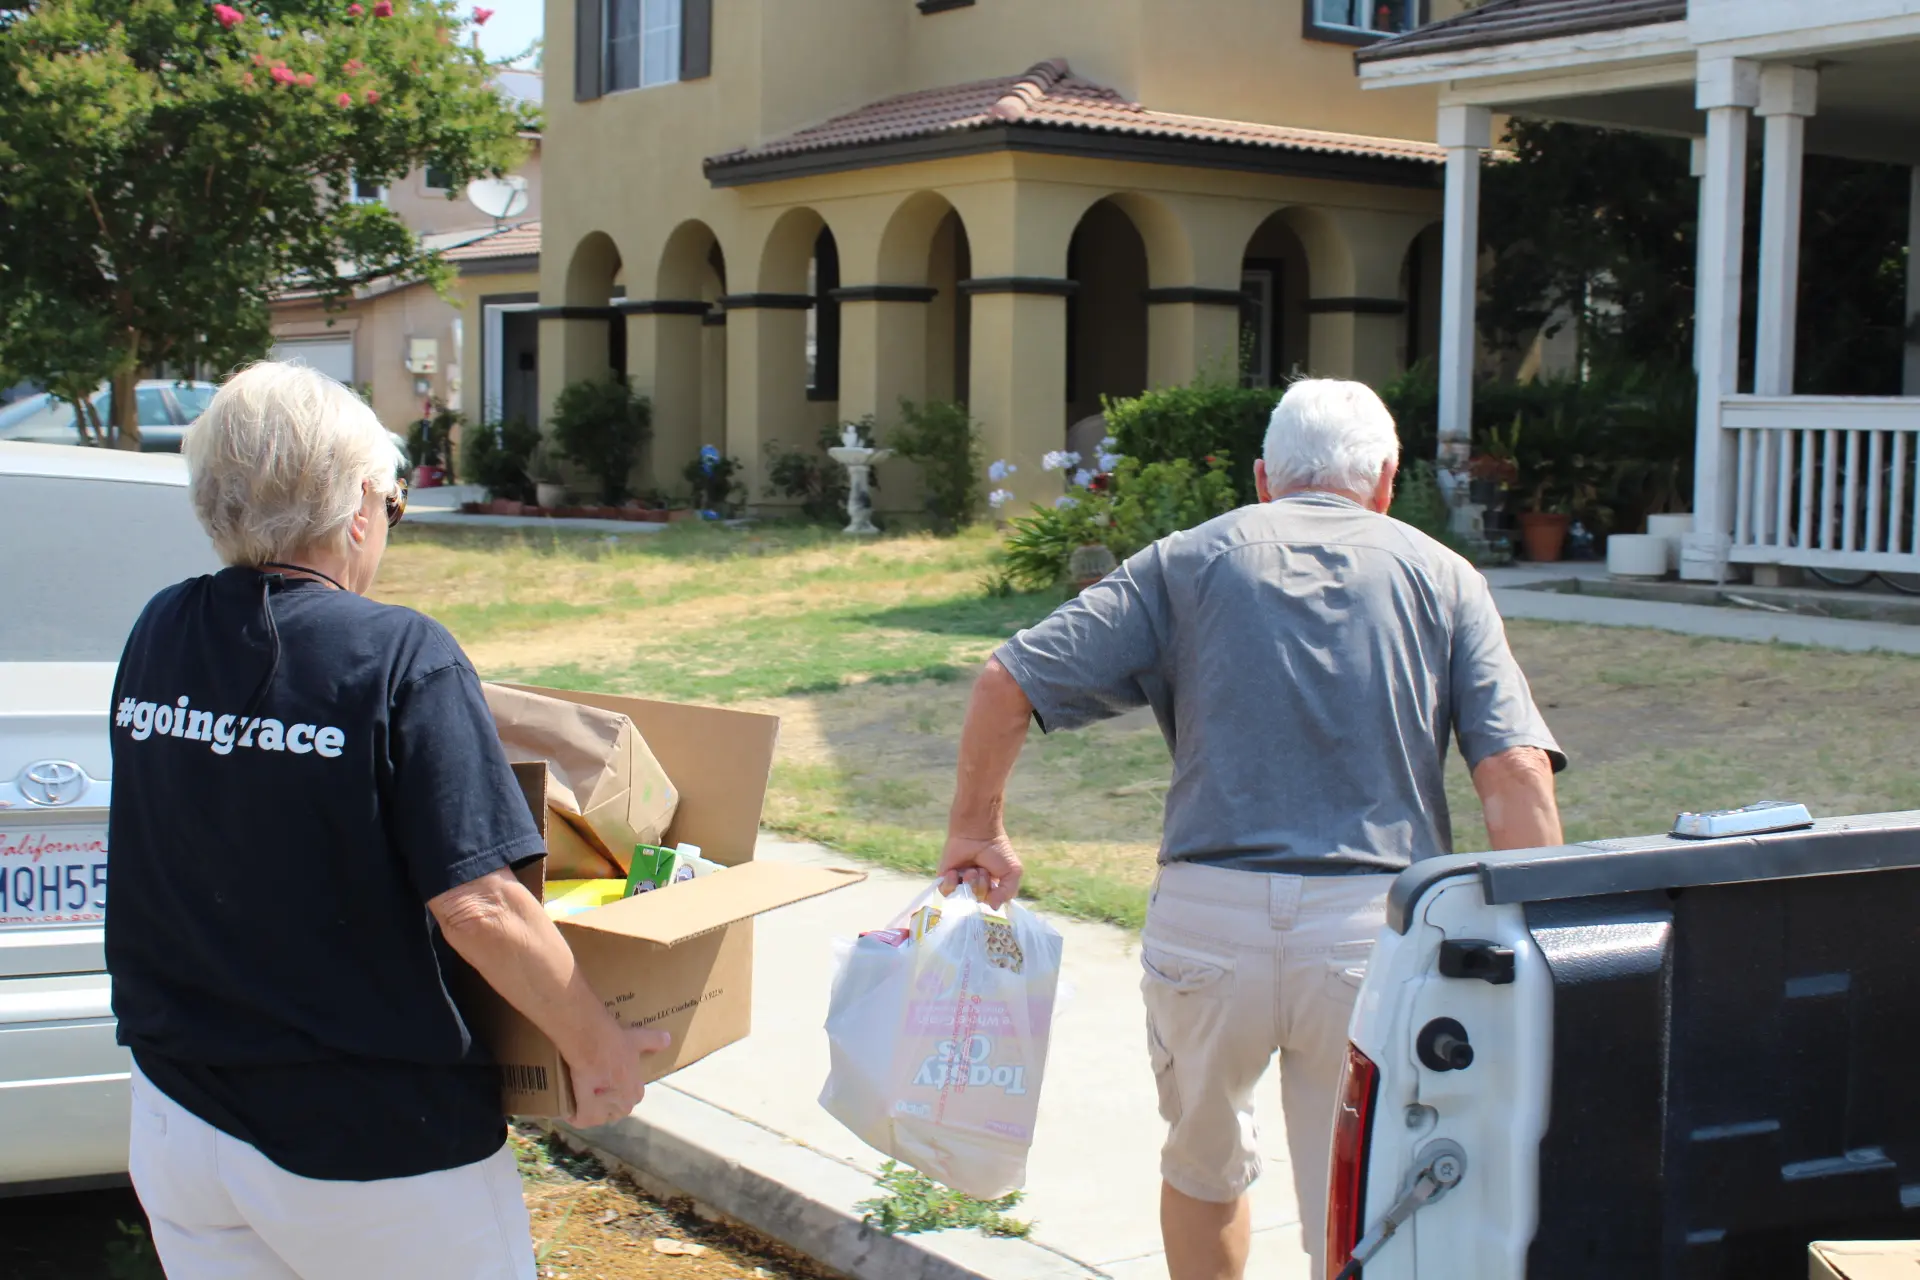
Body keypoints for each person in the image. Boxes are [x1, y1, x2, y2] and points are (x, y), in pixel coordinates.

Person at [939, 379, 1565, 1280]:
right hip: (1372, 931)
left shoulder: (1186, 559)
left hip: (1208, 921)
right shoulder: (1442, 574)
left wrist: (977, 829)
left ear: (1265, 478)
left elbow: (1008, 680)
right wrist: (1538, 946)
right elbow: (1512, 770)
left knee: (1202, 1167)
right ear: (1386, 481)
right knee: (1362, 1196)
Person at [107, 362, 667, 1279]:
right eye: (394, 510)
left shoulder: (159, 629)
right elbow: (482, 905)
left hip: (181, 1116)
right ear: (359, 504)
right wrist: (596, 1045)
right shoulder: (400, 654)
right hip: (370, 1141)